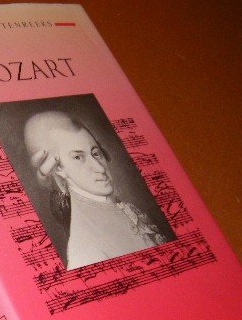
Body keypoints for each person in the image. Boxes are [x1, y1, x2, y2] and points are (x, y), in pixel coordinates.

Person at [24, 111, 167, 269]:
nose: (100, 168)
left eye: (96, 153)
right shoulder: (86, 249)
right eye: (78, 157)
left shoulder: (122, 208)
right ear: (58, 169)